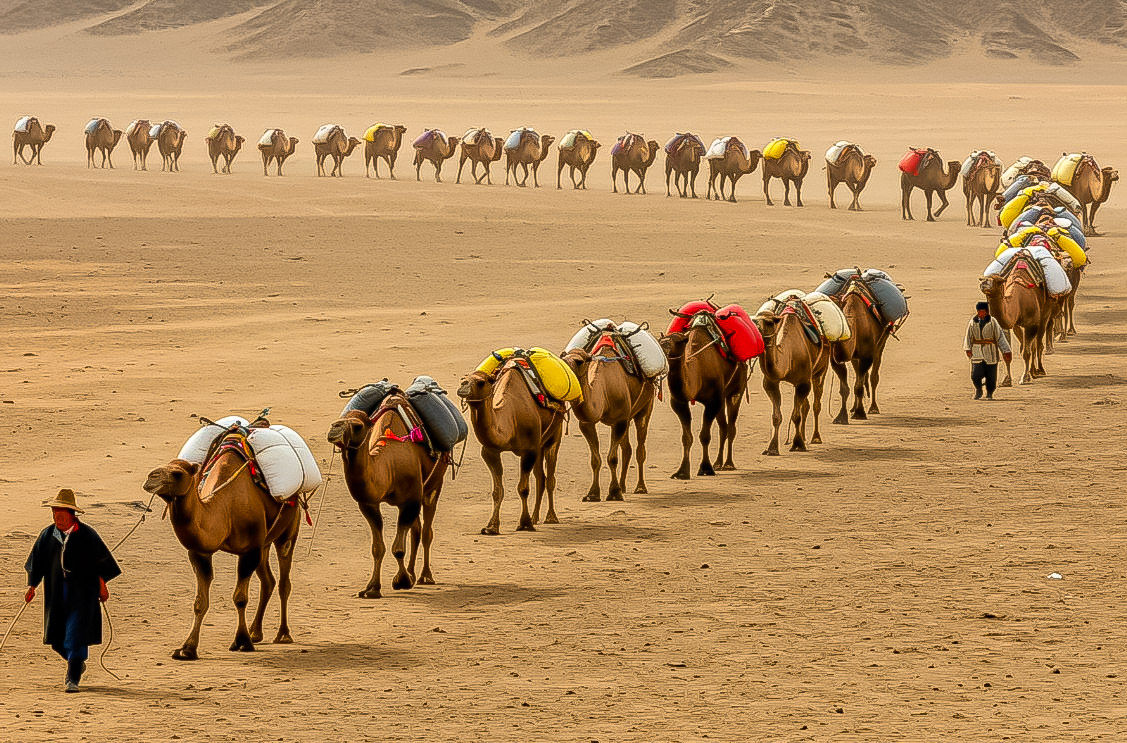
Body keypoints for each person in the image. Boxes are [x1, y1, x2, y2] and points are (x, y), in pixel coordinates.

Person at [24, 489, 121, 692]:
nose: (57, 518)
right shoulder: (47, 534)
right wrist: (32, 585)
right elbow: (37, 562)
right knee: (57, 640)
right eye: (54, 514)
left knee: (75, 635)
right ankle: (75, 662)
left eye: (61, 514)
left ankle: (72, 677)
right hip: (56, 593)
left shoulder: (87, 535)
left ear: (72, 514)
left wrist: (103, 586)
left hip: (83, 593)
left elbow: (102, 561)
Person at [964, 301, 1013, 400]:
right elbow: (968, 336)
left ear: (987, 311)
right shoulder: (972, 322)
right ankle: (978, 390)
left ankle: (989, 393)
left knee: (991, 376)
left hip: (991, 352)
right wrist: (968, 348)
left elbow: (1000, 337)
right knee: (975, 375)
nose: (981, 313)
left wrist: (1006, 350)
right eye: (979, 311)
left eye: (983, 311)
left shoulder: (993, 322)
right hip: (977, 352)